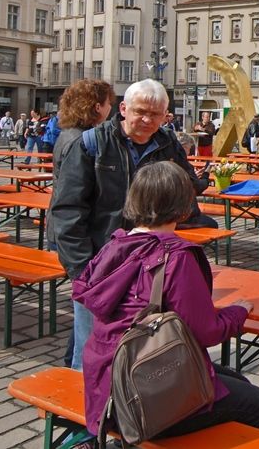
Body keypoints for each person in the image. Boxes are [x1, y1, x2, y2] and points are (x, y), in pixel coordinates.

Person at [73, 161, 259, 439]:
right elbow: (207, 332)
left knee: (236, 380)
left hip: (105, 386)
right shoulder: (176, 257)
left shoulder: (115, 245)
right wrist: (238, 312)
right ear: (184, 205)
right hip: (142, 397)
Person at [48, 79, 215, 371]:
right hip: (101, 266)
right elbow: (66, 211)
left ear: (166, 115)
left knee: (140, 348)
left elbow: (184, 185)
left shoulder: (167, 145)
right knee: (92, 350)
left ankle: (134, 405)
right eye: (140, 111)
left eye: (156, 114)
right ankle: (84, 409)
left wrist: (195, 185)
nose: (148, 120)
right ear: (124, 109)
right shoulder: (91, 144)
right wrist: (81, 271)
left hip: (151, 268)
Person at [52, 79, 115, 179]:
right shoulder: (82, 140)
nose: (110, 107)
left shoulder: (68, 132)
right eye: (109, 102)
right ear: (98, 107)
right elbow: (74, 188)